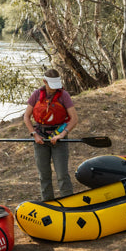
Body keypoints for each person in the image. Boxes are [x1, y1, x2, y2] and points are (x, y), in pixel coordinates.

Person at [23, 68, 79, 200]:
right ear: (44, 82)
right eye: (51, 86)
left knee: (62, 174)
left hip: (58, 138)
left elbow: (74, 119)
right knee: (44, 175)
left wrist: (61, 135)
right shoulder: (36, 95)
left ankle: (69, 203)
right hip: (40, 138)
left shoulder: (64, 95)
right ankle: (48, 203)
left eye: (56, 86)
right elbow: (26, 117)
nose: (54, 89)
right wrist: (34, 135)